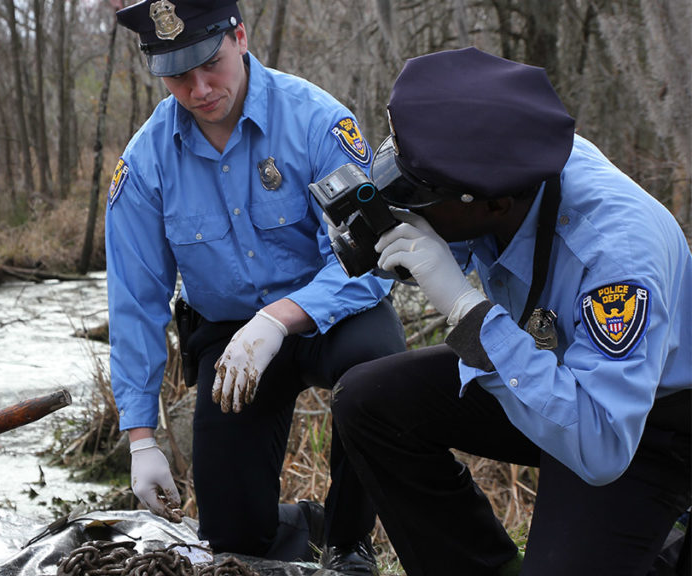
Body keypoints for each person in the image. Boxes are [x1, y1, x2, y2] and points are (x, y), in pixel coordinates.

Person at [330, 46, 691, 575]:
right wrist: (390, 242)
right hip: (542, 368)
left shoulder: (615, 256)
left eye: (420, 194)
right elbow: (457, 223)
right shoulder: (506, 161)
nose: (409, 202)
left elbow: (602, 445)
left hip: (638, 421)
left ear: (493, 204)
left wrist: (465, 309)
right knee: (367, 400)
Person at [105, 0, 406, 572]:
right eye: (176, 74)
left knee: (377, 374)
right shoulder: (145, 164)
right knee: (234, 545)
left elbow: (365, 261)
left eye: (210, 64)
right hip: (230, 337)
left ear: (240, 37)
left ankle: (348, 543)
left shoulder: (319, 123)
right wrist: (141, 437)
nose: (198, 89)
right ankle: (302, 525)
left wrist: (280, 318)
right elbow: (135, 303)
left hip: (334, 317)